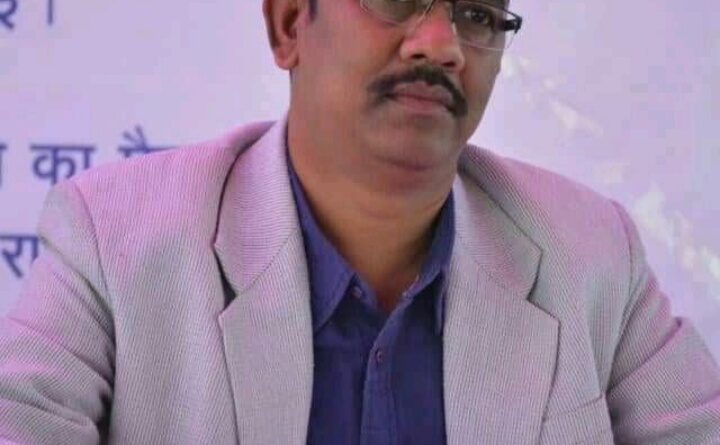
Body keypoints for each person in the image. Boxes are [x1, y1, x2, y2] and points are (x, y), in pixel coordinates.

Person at [1, 0, 719, 443]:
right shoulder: (118, 238)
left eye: (476, 15)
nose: (440, 44)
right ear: (289, 24)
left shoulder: (590, 251)